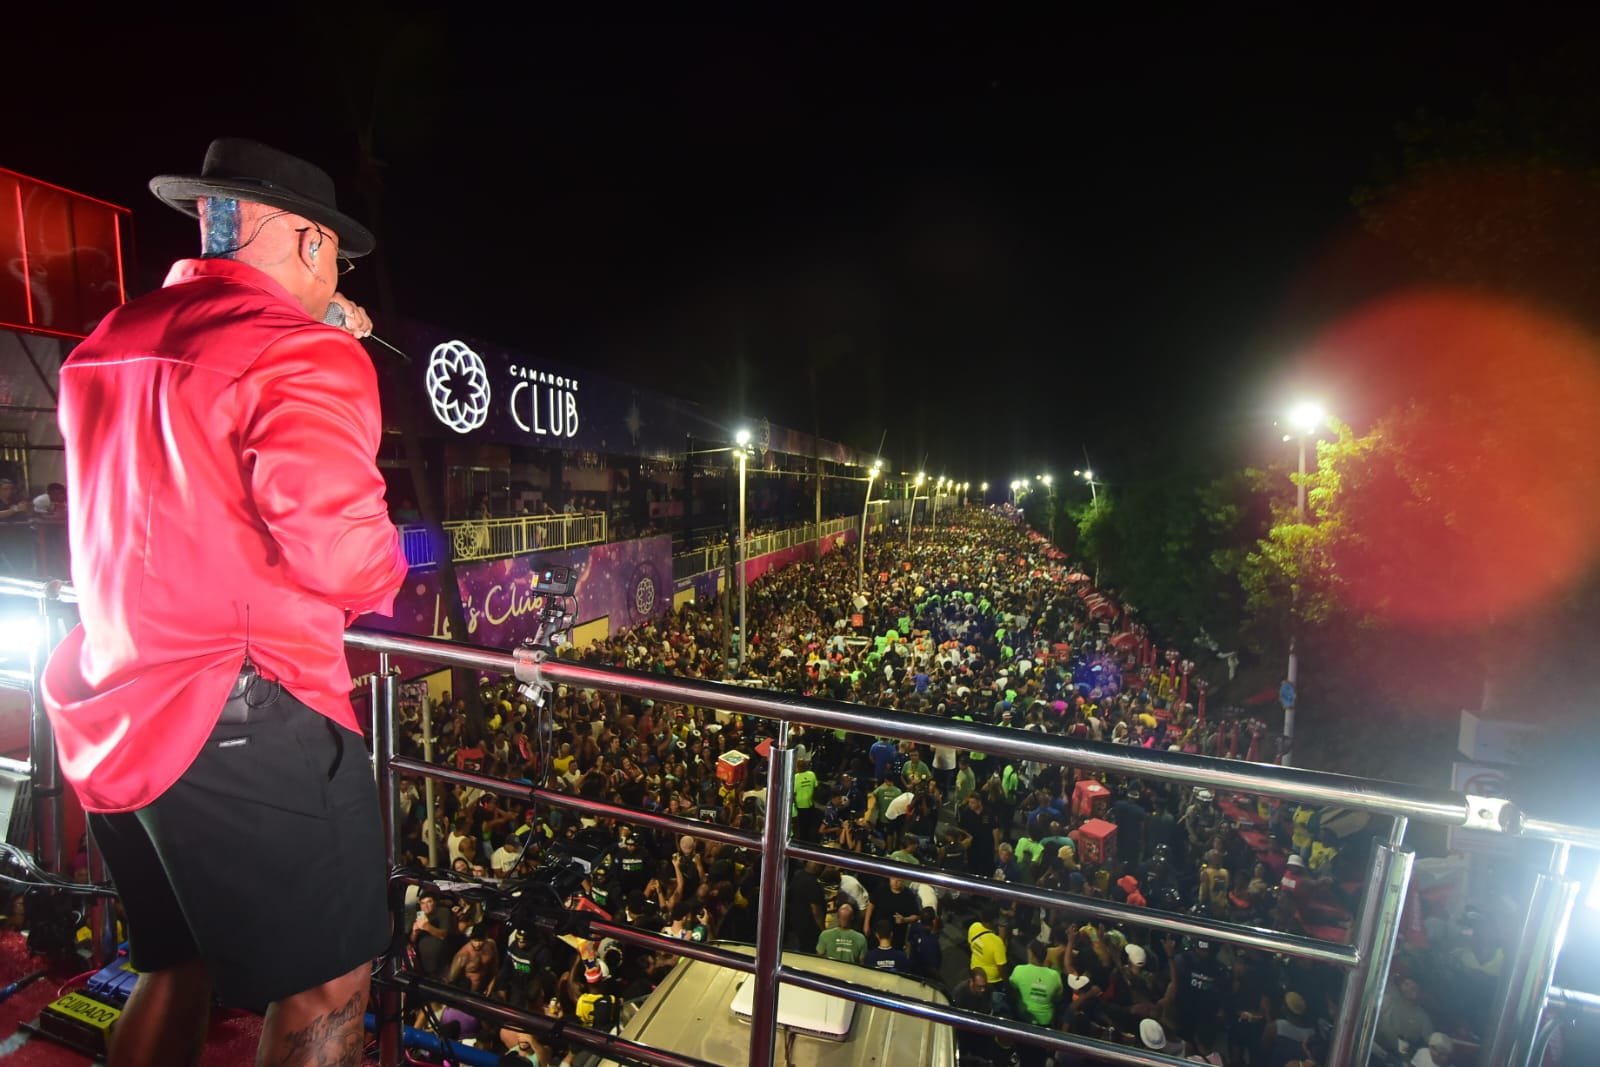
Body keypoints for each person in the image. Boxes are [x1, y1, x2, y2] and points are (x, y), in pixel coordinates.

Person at [40, 138, 407, 1066]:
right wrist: (326, 344)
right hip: (243, 709)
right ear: (312, 243)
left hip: (114, 697)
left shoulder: (109, 340)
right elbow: (349, 563)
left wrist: (317, 324)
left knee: (178, 965)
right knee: (329, 981)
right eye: (336, 258)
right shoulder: (304, 354)